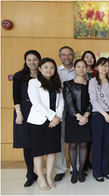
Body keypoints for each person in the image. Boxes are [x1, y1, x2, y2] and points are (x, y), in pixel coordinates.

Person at [27, 58, 63, 190]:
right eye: (46, 67)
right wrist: (52, 116)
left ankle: (49, 175)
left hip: (55, 121)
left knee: (51, 150)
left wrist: (57, 117)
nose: (49, 70)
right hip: (39, 121)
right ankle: (40, 177)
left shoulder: (56, 83)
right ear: (40, 69)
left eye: (52, 67)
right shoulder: (33, 83)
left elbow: (61, 102)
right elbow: (36, 104)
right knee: (39, 151)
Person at [13, 50, 41, 187]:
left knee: (38, 142)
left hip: (40, 110)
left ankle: (40, 172)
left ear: (39, 60)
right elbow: (16, 96)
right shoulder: (19, 76)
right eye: (29, 60)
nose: (32, 62)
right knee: (27, 143)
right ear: (25, 61)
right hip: (24, 109)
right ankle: (30, 173)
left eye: (35, 59)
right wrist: (18, 113)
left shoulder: (43, 75)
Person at [63, 59, 92, 184]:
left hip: (87, 118)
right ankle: (74, 170)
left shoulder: (91, 83)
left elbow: (92, 101)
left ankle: (81, 171)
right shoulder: (68, 83)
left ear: (86, 68)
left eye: (83, 67)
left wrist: (85, 115)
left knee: (84, 144)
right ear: (74, 68)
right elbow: (69, 102)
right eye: (78, 67)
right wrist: (78, 116)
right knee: (73, 145)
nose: (81, 69)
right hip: (73, 118)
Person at [89, 57, 109, 182]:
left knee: (106, 145)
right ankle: (97, 172)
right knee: (98, 145)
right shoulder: (93, 82)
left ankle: (106, 170)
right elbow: (93, 101)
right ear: (96, 67)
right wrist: (105, 114)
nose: (104, 67)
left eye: (106, 65)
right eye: (101, 65)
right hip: (99, 116)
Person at [54, 46, 76, 182]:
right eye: (64, 55)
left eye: (69, 55)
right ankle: (60, 169)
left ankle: (75, 167)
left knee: (76, 140)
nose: (66, 57)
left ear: (73, 56)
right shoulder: (55, 71)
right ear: (60, 56)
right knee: (60, 140)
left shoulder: (79, 69)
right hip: (59, 111)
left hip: (75, 110)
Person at [81, 51, 96, 172]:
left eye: (91, 57)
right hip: (82, 107)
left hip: (94, 108)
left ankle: (88, 160)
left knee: (91, 136)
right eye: (87, 57)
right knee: (83, 137)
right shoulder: (80, 72)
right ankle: (83, 162)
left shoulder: (97, 73)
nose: (89, 59)